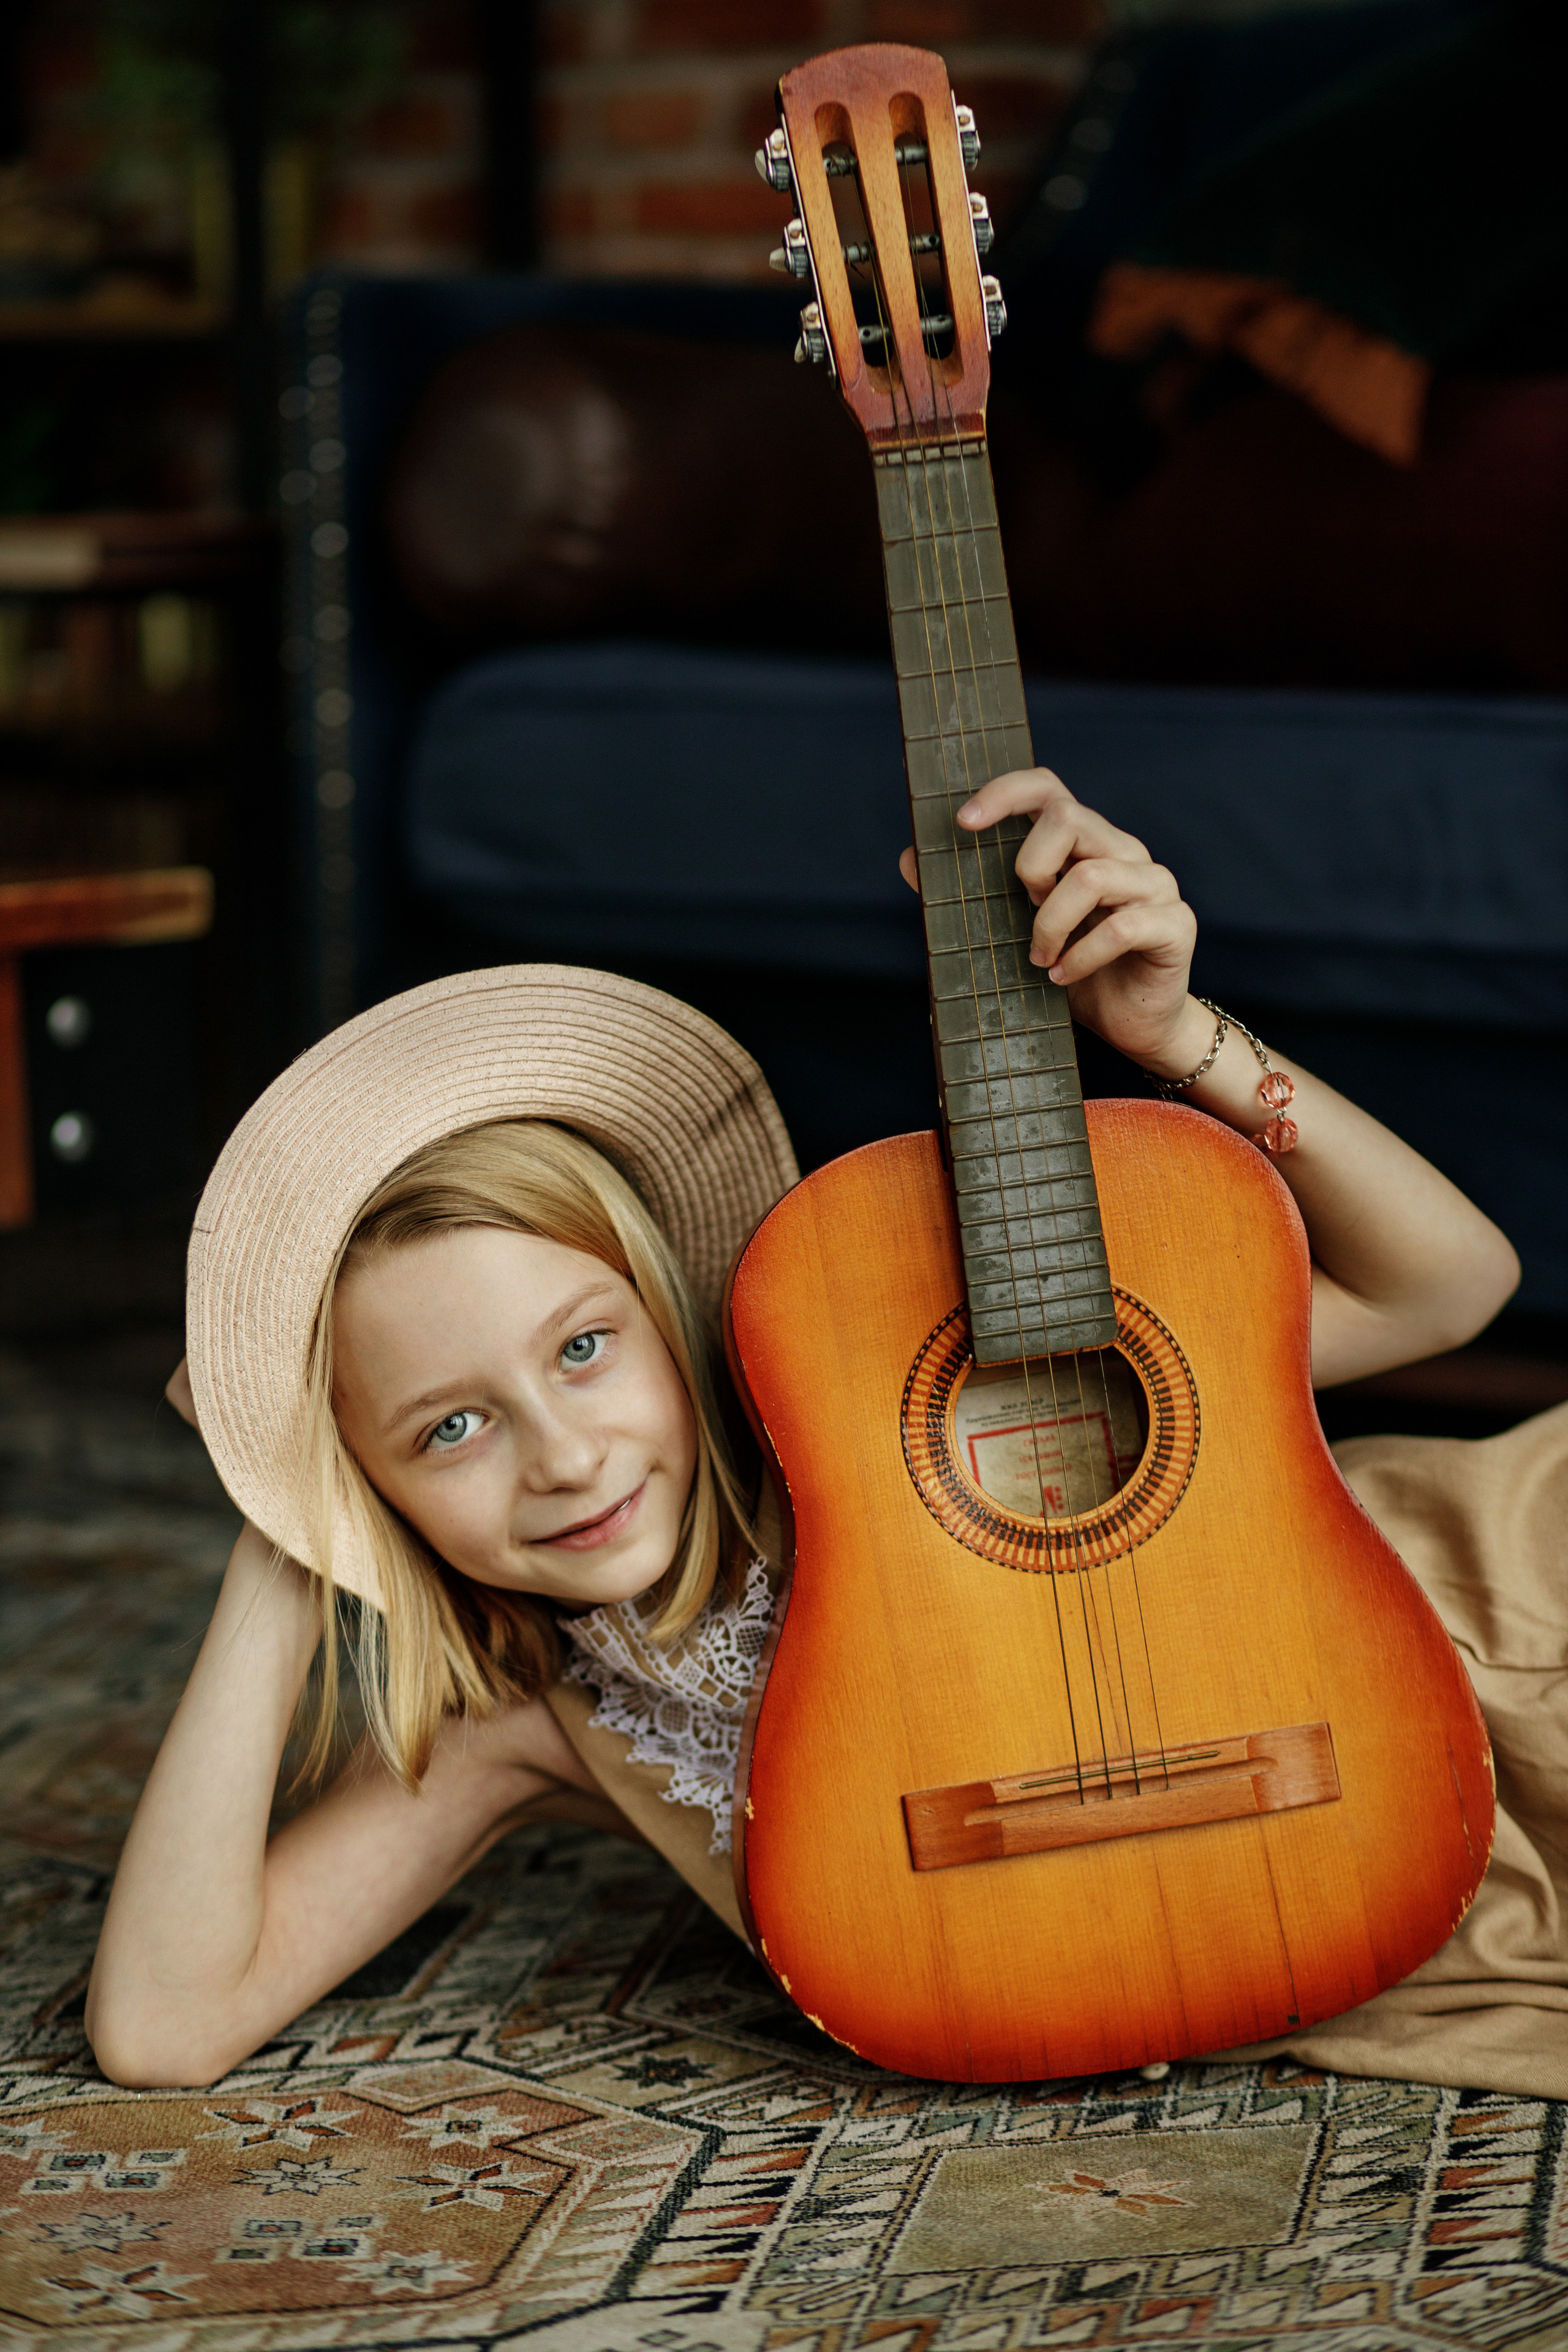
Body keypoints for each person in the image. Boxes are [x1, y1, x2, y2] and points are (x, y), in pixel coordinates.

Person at [84, 774, 1522, 2092]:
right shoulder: (529, 1730)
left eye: (584, 1350)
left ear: (673, 1315)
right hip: (1332, 1838)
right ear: (373, 1481)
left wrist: (1178, 1039)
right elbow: (163, 2024)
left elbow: (1449, 1289)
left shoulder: (881, 1396)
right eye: (450, 1428)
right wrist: (283, 1509)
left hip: (1472, 1629)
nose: (566, 1457)